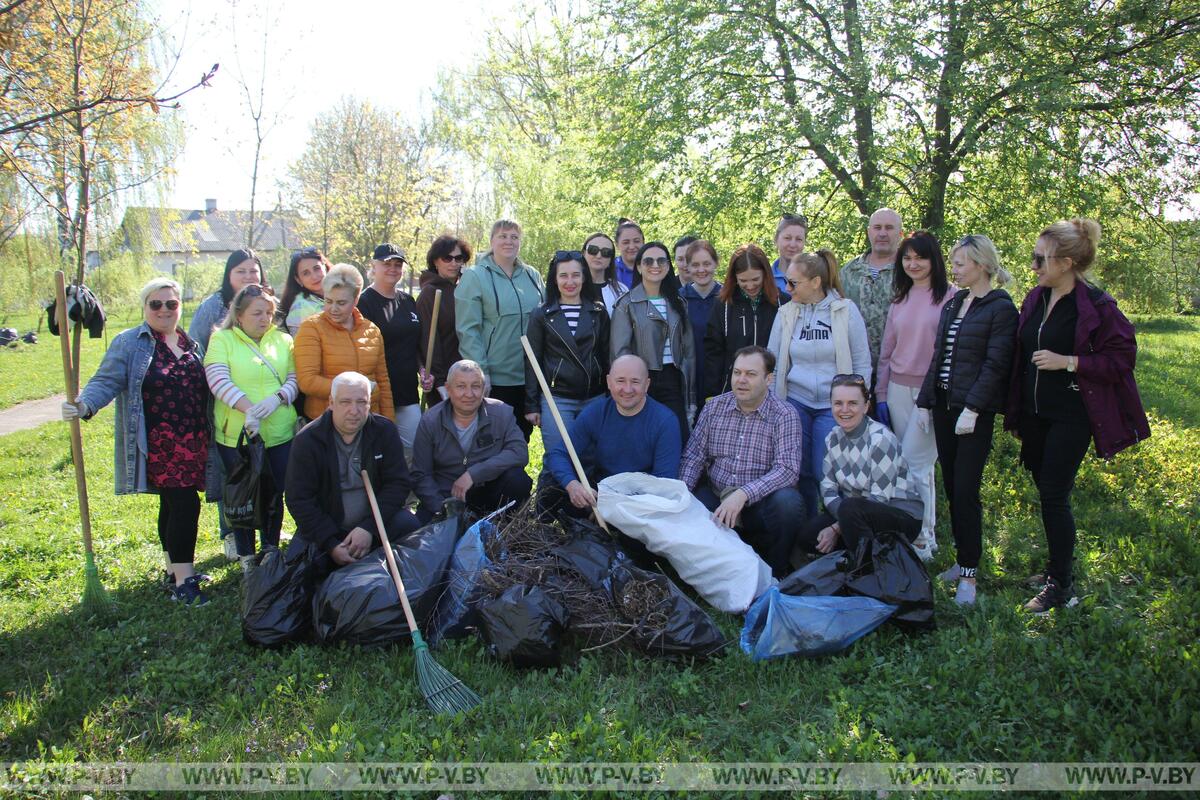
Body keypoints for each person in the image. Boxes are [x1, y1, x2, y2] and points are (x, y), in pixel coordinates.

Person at [1005, 219, 1150, 614]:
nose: (1033, 266)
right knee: (1046, 491)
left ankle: (1061, 585)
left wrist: (1069, 361)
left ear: (1066, 263)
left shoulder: (1098, 307)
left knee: (1055, 495)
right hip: (1035, 415)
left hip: (1072, 415)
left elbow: (1121, 359)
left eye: (1041, 259)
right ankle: (1056, 566)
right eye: (1034, 257)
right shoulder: (1036, 298)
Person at [64, 278, 211, 604]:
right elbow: (106, 380)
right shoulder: (131, 342)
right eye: (155, 304)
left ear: (179, 307)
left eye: (171, 304)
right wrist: (84, 404)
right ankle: (185, 583)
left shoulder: (190, 344)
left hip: (194, 440)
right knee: (186, 504)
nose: (164, 310)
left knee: (171, 504)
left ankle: (173, 570)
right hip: (159, 443)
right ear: (145, 307)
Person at [916, 234, 1017, 606]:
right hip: (944, 406)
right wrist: (925, 402)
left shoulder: (1000, 309)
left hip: (972, 412)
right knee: (952, 486)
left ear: (981, 265)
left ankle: (970, 575)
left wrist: (973, 409)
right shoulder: (955, 303)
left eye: (959, 264)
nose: (953, 270)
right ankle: (961, 561)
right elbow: (938, 356)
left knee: (966, 490)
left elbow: (996, 365)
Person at [680, 346, 803, 577]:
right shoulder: (714, 407)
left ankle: (777, 571)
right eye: (737, 373)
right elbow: (694, 456)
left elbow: (787, 469)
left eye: (751, 374)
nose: (741, 380)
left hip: (760, 504)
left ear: (768, 379)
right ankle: (712, 569)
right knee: (692, 502)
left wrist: (743, 494)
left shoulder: (784, 414)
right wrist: (681, 495)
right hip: (717, 497)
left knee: (788, 503)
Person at [768, 250, 872, 518]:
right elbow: (774, 363)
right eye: (786, 282)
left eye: (793, 283)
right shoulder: (786, 313)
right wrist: (774, 404)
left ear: (815, 282)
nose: (787, 288)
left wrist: (859, 403)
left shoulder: (845, 311)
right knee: (800, 470)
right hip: (795, 402)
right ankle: (808, 528)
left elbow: (862, 362)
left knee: (824, 469)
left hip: (833, 405)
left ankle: (840, 525)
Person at [204, 284, 299, 573]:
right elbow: (217, 379)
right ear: (239, 315)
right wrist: (249, 410)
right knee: (242, 495)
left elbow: (294, 378)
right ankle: (246, 555)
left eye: (269, 312)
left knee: (274, 493)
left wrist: (278, 398)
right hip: (236, 435)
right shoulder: (222, 340)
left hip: (279, 433)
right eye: (257, 313)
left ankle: (270, 549)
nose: (265, 318)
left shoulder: (283, 340)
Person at [285, 372, 420, 570]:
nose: (354, 411)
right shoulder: (308, 440)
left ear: (369, 404)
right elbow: (299, 500)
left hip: (375, 524)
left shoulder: (384, 431)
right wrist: (330, 544)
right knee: (301, 568)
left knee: (410, 526)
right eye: (345, 402)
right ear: (331, 403)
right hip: (329, 529)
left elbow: (398, 484)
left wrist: (368, 528)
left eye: (361, 402)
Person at [875, 231, 953, 561]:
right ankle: (920, 534)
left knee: (914, 464)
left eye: (920, 257)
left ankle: (921, 539)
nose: (913, 264)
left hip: (931, 392)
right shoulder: (900, 300)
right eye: (906, 258)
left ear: (934, 259)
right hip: (897, 389)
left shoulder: (952, 298)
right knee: (911, 465)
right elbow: (887, 352)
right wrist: (881, 393)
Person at [188, 248, 269, 560]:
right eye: (241, 271)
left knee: (263, 472)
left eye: (253, 270)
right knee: (233, 474)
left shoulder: (266, 301)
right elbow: (196, 348)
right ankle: (231, 532)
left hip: (267, 408)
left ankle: (265, 531)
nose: (248, 276)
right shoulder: (214, 307)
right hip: (225, 403)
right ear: (229, 275)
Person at [796, 374, 924, 556]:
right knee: (809, 535)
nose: (844, 409)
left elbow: (879, 498)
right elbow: (828, 490)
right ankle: (856, 556)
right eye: (838, 403)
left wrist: (836, 528)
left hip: (900, 514)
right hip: (855, 514)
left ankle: (869, 566)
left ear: (865, 406)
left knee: (850, 509)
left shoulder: (881, 439)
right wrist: (841, 521)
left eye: (852, 403)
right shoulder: (832, 438)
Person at [540, 354, 682, 518]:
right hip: (601, 492)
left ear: (647, 384)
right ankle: (549, 529)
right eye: (620, 381)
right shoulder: (596, 412)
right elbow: (558, 453)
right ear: (609, 382)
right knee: (553, 483)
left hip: (642, 502)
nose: (627, 389)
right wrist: (573, 485)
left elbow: (664, 484)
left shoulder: (665, 421)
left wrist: (617, 509)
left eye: (635, 382)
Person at [455, 219, 545, 441]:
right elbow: (468, 330)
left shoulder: (532, 275)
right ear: (492, 241)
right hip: (496, 378)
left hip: (529, 376)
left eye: (514, 237)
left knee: (522, 438)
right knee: (494, 439)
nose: (509, 241)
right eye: (503, 236)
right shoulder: (475, 276)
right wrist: (480, 371)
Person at [411, 359, 532, 521]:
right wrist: (443, 509)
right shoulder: (430, 421)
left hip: (489, 491)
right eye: (461, 386)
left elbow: (519, 452)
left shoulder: (502, 412)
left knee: (518, 480)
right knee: (419, 525)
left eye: (475, 386)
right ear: (448, 389)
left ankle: (501, 525)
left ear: (484, 388)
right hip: (446, 497)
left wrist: (474, 474)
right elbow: (420, 475)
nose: (469, 394)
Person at [523, 250, 610, 458]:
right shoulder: (542, 314)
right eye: (563, 275)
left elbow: (607, 355)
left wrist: (610, 395)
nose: (570, 282)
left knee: (592, 457)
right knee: (559, 456)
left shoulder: (598, 312)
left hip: (595, 397)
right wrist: (532, 404)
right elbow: (532, 360)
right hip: (557, 399)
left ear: (584, 277)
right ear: (555, 279)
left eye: (575, 275)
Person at [610, 241, 695, 443]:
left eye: (661, 261)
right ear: (639, 267)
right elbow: (620, 352)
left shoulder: (678, 303)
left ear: (668, 266)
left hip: (673, 378)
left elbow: (689, 351)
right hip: (641, 381)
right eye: (648, 261)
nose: (655, 265)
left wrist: (690, 391)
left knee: (677, 437)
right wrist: (630, 385)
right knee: (642, 439)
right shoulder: (626, 304)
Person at [358, 243, 433, 462]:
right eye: (387, 264)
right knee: (381, 453)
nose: (393, 269)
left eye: (398, 264)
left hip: (407, 391)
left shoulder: (408, 301)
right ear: (373, 266)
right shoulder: (364, 302)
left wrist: (422, 369)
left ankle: (408, 486)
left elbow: (413, 343)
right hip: (379, 393)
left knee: (414, 450)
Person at [294, 264, 394, 421]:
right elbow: (307, 381)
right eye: (328, 301)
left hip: (368, 419)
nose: (333, 308)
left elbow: (383, 382)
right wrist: (357, 391)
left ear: (356, 300)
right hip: (326, 421)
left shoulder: (372, 330)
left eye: (341, 303)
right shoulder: (311, 328)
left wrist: (389, 422)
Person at [704, 243, 780, 398]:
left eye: (755, 279)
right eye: (743, 280)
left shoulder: (781, 303)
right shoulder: (723, 305)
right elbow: (713, 351)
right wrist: (712, 393)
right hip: (732, 389)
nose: (750, 286)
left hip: (772, 390)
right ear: (734, 278)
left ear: (766, 274)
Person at [840, 208, 902, 372]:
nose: (882, 233)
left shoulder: (909, 271)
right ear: (869, 232)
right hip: (853, 367)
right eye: (877, 227)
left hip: (897, 367)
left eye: (889, 228)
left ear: (900, 233)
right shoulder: (848, 271)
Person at [416, 234, 471, 404]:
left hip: (468, 377)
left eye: (458, 258)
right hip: (443, 381)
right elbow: (428, 340)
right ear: (435, 261)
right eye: (447, 258)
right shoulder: (429, 293)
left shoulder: (466, 290)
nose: (453, 263)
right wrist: (440, 381)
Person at [680, 240, 722, 410]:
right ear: (688, 267)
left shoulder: (727, 298)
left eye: (706, 264)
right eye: (695, 265)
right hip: (689, 374)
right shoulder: (679, 300)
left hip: (719, 375)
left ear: (716, 263)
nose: (701, 270)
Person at [278, 247, 330, 335]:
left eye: (317, 268)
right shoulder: (300, 307)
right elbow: (299, 341)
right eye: (306, 273)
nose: (314, 276)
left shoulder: (342, 291)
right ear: (298, 280)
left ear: (324, 267)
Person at [582, 231, 628, 315]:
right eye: (593, 250)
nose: (598, 256)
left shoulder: (622, 291)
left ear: (611, 259)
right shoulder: (570, 286)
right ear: (584, 253)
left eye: (606, 252)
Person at [771, 213, 808, 300]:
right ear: (776, 240)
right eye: (787, 238)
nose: (792, 245)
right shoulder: (766, 278)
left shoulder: (813, 277)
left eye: (799, 239)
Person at [613, 219, 644, 288]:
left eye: (636, 241)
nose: (632, 247)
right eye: (626, 242)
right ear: (617, 245)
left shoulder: (654, 267)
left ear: (643, 242)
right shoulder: (609, 270)